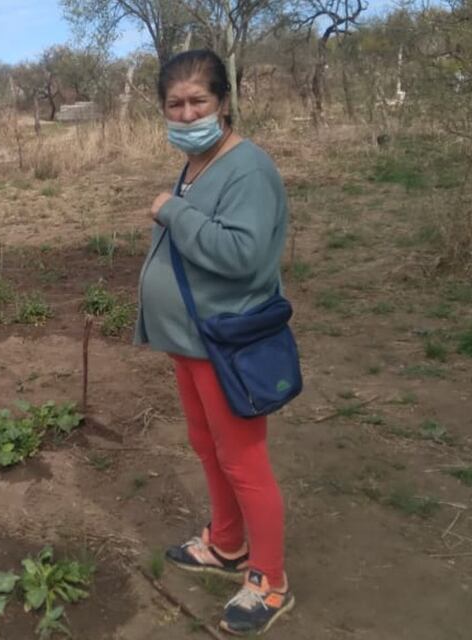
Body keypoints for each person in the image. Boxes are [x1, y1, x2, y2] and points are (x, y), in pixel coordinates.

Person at [134, 49, 293, 635]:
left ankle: (269, 579)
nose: (186, 112)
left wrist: (172, 211)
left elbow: (243, 256)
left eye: (198, 101)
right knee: (208, 447)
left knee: (245, 459)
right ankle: (226, 545)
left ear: (223, 103)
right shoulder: (197, 161)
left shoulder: (247, 168)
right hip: (191, 340)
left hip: (228, 343)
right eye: (175, 104)